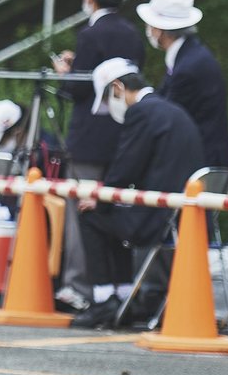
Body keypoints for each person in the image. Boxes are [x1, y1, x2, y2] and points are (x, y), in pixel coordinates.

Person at [71, 57, 204, 329]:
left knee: (92, 215)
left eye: (109, 99)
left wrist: (99, 198)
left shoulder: (141, 113)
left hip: (157, 216)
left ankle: (105, 299)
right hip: (180, 215)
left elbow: (125, 167)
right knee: (110, 214)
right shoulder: (170, 110)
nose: (111, 108)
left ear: (118, 87)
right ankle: (124, 296)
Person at [51, 0, 147, 308]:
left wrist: (66, 72)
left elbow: (78, 89)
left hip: (89, 138)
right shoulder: (132, 34)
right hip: (124, 136)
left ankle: (78, 286)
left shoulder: (90, 34)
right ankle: (117, 285)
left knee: (82, 214)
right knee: (115, 210)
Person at [136, 0, 228, 172]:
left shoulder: (188, 67)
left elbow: (167, 116)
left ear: (160, 30)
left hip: (204, 165)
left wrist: (138, 98)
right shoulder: (189, 56)